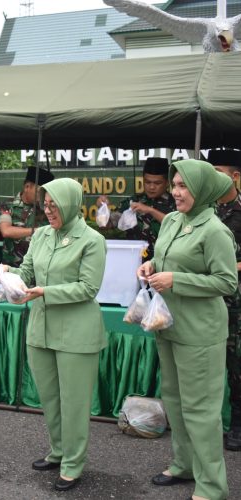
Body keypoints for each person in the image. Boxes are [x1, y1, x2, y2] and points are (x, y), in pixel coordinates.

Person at [0, 177, 107, 492]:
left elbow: (88, 288)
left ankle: (73, 463)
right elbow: (27, 272)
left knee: (74, 401)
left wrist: (44, 292)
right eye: (46, 205)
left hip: (76, 331)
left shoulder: (92, 240)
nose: (49, 210)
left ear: (71, 204)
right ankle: (58, 451)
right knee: (50, 398)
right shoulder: (42, 235)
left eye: (55, 205)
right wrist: (6, 273)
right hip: (41, 329)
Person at [138, 159, 236, 500]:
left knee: (201, 410)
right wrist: (153, 264)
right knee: (176, 402)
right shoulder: (174, 222)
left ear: (203, 191)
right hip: (169, 325)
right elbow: (165, 258)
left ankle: (212, 485)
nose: (176, 192)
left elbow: (227, 281)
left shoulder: (215, 231)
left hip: (200, 332)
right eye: (175, 185)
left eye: (183, 187)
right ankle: (183, 465)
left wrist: (177, 279)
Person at [209, 148, 241, 452]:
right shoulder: (206, 210)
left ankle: (238, 424)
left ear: (235, 176)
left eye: (219, 172)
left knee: (236, 363)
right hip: (207, 298)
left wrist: (227, 267)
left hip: (237, 301)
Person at [97, 157, 175, 261]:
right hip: (133, 262)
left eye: (157, 183)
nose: (151, 187)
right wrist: (102, 208)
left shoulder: (176, 203)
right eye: (147, 182)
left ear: (167, 183)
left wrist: (150, 210)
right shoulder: (132, 202)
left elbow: (177, 225)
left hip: (164, 263)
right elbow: (105, 226)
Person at [0, 166, 54, 267]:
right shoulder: (7, 206)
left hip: (38, 269)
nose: (42, 196)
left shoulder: (47, 209)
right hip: (12, 268)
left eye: (45, 193)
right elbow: (6, 231)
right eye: (39, 192)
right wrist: (37, 231)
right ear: (27, 187)